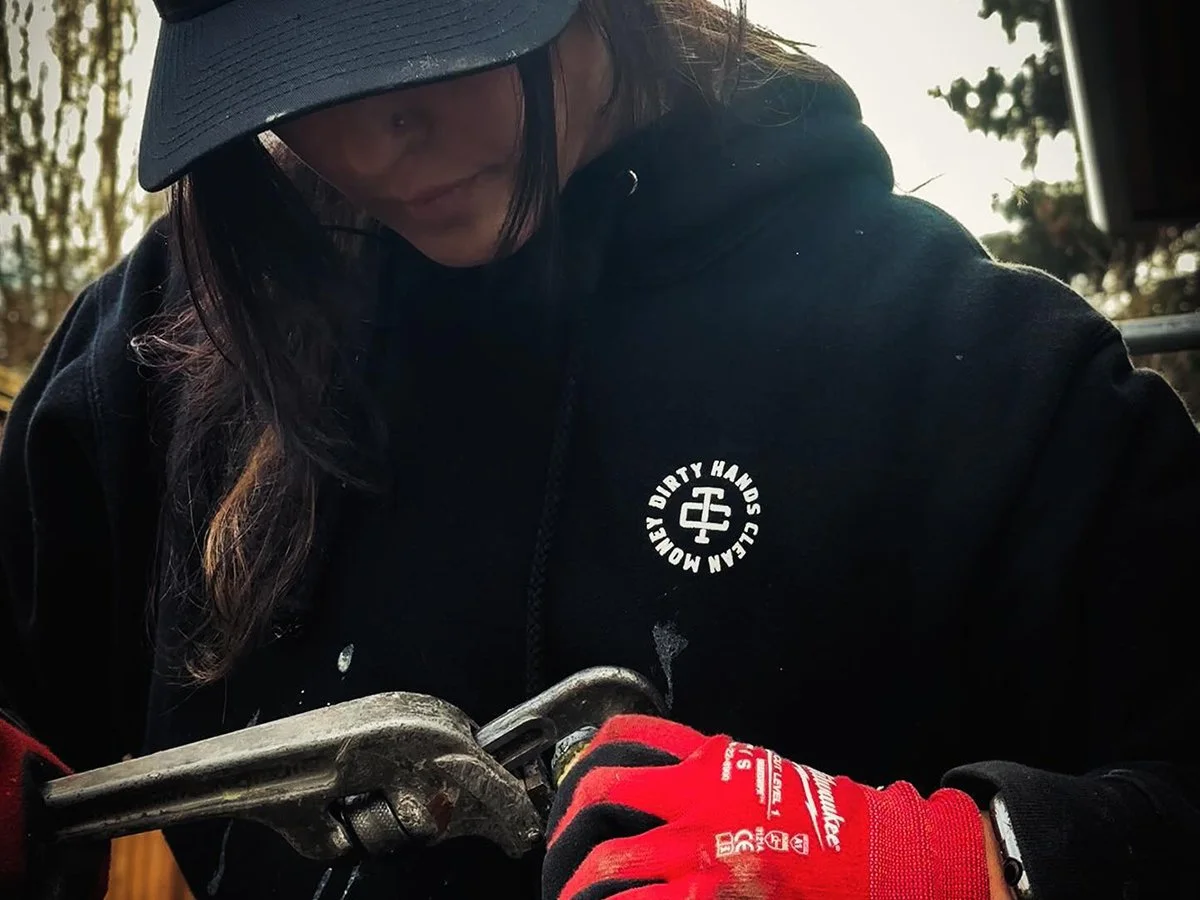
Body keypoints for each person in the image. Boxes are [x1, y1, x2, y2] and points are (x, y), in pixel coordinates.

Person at [1, 0, 1197, 896]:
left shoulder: (968, 361)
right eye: (291, 77)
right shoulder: (165, 349)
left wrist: (978, 861)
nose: (372, 143)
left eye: (424, 31)